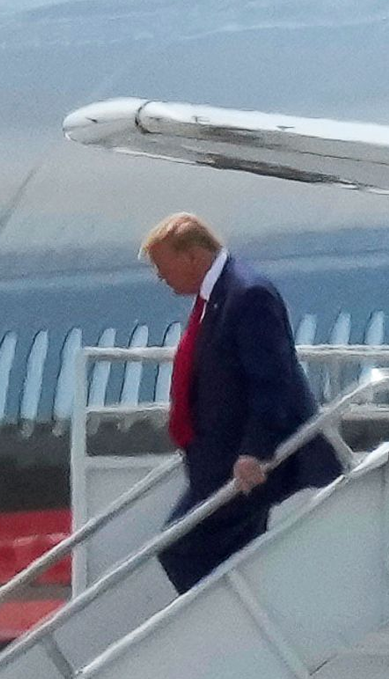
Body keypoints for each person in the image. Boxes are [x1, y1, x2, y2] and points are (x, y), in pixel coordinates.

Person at [140, 213, 343, 594]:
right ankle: (237, 619)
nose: (160, 277)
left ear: (192, 255)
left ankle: (222, 623)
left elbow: (272, 380)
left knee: (181, 548)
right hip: (220, 462)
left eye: (162, 265)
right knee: (225, 553)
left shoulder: (248, 295)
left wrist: (254, 450)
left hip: (247, 464)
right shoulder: (219, 297)